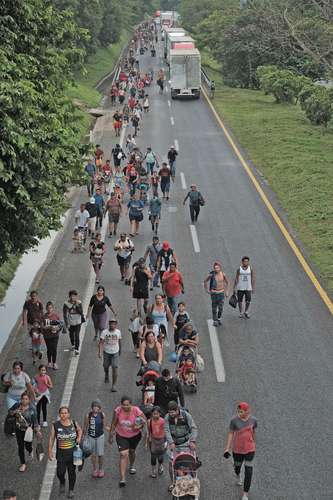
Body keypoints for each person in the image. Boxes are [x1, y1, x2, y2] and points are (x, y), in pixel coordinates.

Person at [109, 396, 146, 487]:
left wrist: (139, 427)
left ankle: (131, 465)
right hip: (121, 435)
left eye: (127, 405)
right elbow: (113, 423)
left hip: (135, 436)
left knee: (132, 452)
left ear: (131, 404)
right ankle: (122, 479)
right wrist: (111, 435)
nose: (125, 407)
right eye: (123, 405)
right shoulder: (118, 410)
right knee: (123, 454)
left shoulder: (136, 410)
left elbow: (144, 421)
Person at [224, 402, 257, 500]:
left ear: (247, 411)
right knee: (237, 466)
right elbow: (230, 433)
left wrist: (253, 443)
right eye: (238, 411)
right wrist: (227, 448)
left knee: (249, 471)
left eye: (241, 411)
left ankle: (245, 494)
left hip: (250, 450)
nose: (239, 413)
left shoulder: (253, 420)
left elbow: (253, 431)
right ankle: (238, 475)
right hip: (237, 450)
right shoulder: (234, 421)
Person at [48, 406, 82, 499]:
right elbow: (51, 438)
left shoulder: (74, 423)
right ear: (59, 415)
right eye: (62, 413)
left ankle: (71, 490)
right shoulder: (55, 425)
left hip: (72, 454)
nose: (64, 415)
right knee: (60, 473)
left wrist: (79, 438)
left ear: (69, 414)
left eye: (65, 413)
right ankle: (62, 482)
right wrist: (49, 451)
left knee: (72, 472)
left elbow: (79, 430)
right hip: (61, 455)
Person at [164, 401, 198, 490]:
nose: (171, 414)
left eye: (173, 412)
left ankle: (189, 481)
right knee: (172, 465)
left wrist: (193, 441)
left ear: (177, 410)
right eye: (169, 412)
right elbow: (167, 431)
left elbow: (193, 428)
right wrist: (171, 442)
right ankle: (173, 483)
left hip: (185, 443)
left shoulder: (186, 416)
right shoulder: (167, 418)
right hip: (173, 445)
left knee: (186, 463)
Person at [10, 392, 41, 472]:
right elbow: (10, 413)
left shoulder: (32, 409)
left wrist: (37, 431)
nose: (24, 401)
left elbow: (35, 421)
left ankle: (30, 450)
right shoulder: (17, 405)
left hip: (28, 431)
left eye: (26, 399)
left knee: (27, 445)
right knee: (20, 447)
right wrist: (15, 411)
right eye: (23, 399)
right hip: (18, 430)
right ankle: (23, 463)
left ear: (29, 400)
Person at [83, 400, 106, 478]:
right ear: (92, 408)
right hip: (91, 436)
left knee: (100, 454)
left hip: (100, 436)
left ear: (100, 408)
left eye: (97, 407)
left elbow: (104, 425)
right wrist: (83, 436)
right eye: (94, 407)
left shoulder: (102, 415)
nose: (95, 409)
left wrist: (108, 431)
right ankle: (94, 469)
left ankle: (101, 469)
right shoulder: (88, 415)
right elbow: (85, 426)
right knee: (93, 455)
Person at [204, 261, 230, 326]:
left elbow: (228, 283)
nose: (216, 269)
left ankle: (219, 319)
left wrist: (227, 291)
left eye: (217, 268)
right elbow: (205, 281)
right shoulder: (211, 275)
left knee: (221, 308)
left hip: (221, 293)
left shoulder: (223, 274)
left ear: (220, 268)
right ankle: (215, 320)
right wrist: (207, 290)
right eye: (215, 268)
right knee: (214, 307)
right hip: (214, 293)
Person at [99, 319, 121, 391]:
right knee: (106, 365)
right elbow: (101, 343)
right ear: (109, 324)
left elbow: (120, 341)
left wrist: (120, 350)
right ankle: (106, 374)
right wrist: (100, 352)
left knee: (115, 367)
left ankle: (114, 385)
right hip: (107, 351)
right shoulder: (104, 332)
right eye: (111, 324)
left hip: (115, 352)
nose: (112, 325)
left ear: (116, 325)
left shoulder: (118, 332)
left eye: (114, 324)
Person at [145, 406, 165, 478]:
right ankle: (153, 471)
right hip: (153, 440)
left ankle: (160, 466)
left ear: (160, 414)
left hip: (161, 440)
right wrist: (146, 442)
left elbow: (166, 431)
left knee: (160, 456)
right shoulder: (149, 421)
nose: (155, 415)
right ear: (151, 414)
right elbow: (148, 432)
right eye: (154, 414)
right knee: (153, 456)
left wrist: (167, 442)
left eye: (157, 414)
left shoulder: (163, 421)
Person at [63, 290, 85, 355]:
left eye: (75, 296)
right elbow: (64, 314)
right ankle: (73, 344)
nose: (73, 297)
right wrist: (66, 323)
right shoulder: (66, 303)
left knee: (77, 335)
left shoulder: (79, 302)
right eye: (72, 296)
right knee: (71, 334)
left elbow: (81, 312)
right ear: (69, 296)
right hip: (70, 322)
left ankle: (77, 349)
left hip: (78, 322)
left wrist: (77, 306)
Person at [42, 301, 62, 369]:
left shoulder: (56, 316)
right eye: (48, 308)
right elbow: (42, 327)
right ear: (46, 308)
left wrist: (57, 328)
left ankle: (54, 363)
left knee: (54, 349)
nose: (49, 309)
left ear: (52, 308)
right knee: (49, 349)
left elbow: (60, 325)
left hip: (55, 335)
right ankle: (49, 362)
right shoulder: (44, 317)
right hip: (47, 336)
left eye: (50, 308)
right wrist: (49, 327)